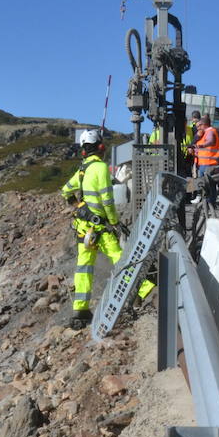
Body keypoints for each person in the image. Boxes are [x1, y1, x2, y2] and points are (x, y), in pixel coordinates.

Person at [61, 130, 153, 327]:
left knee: (84, 267)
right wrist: (114, 221)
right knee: (119, 259)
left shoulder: (83, 169)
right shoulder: (101, 168)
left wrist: (79, 206)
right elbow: (107, 200)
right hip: (100, 227)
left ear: (84, 150)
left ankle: (80, 309)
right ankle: (143, 290)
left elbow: (66, 190)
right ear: (101, 147)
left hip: (84, 228)